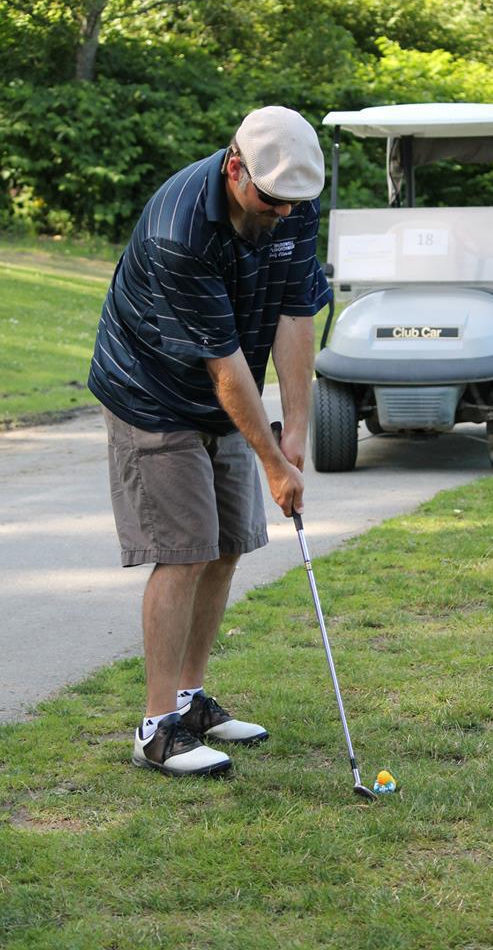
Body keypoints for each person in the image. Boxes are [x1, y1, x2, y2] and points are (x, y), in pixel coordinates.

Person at [88, 106, 329, 777]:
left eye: (296, 205)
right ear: (235, 169)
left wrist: (296, 437)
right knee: (184, 550)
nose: (285, 215)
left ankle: (191, 703)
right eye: (273, 201)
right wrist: (271, 460)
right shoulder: (180, 231)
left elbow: (296, 310)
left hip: (229, 390)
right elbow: (222, 364)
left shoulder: (291, 203)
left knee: (226, 545)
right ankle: (156, 727)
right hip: (153, 392)